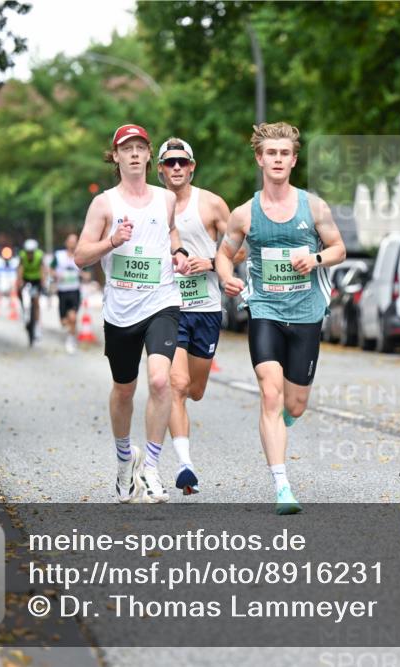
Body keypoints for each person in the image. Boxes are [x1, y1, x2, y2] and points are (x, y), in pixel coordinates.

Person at [215, 122, 346, 515]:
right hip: (265, 310)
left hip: (306, 311)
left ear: (293, 159)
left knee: (296, 403)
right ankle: (282, 486)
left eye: (284, 154)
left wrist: (317, 258)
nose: (277, 160)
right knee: (269, 392)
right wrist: (226, 277)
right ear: (260, 159)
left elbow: (339, 248)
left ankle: (285, 418)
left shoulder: (314, 206)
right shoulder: (244, 213)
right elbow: (225, 253)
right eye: (270, 153)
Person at [74, 123, 191, 503]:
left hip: (162, 301)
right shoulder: (105, 203)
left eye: (141, 147)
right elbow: (80, 256)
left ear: (147, 153)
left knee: (161, 382)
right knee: (124, 390)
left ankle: (153, 467)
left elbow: (171, 233)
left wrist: (179, 254)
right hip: (121, 310)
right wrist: (112, 241)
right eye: (128, 149)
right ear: (117, 156)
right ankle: (126, 458)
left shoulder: (165, 199)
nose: (136, 154)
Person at [157, 137, 244, 495]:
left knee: (195, 389)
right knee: (173, 386)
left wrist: (209, 263)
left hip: (206, 307)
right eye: (169, 162)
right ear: (160, 169)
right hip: (167, 307)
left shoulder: (210, 204)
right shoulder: (149, 204)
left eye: (182, 162)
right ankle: (184, 465)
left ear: (192, 167)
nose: (176, 168)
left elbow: (242, 249)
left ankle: (184, 457)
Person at [51, 233, 83, 354]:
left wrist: (84, 275)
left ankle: (71, 339)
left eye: (75, 241)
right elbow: (51, 269)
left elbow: (85, 271)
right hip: (62, 291)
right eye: (71, 241)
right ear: (66, 243)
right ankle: (71, 330)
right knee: (64, 321)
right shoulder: (59, 256)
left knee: (73, 317)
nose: (73, 244)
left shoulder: (80, 256)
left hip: (75, 290)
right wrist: (55, 274)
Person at [18, 238, 46, 344]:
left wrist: (43, 283)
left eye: (31, 252)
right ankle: (25, 313)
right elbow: (20, 269)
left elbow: (42, 270)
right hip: (26, 279)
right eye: (28, 252)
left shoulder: (39, 256)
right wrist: (19, 282)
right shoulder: (22, 255)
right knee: (22, 296)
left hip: (36, 280)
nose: (29, 254)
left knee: (36, 302)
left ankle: (37, 326)